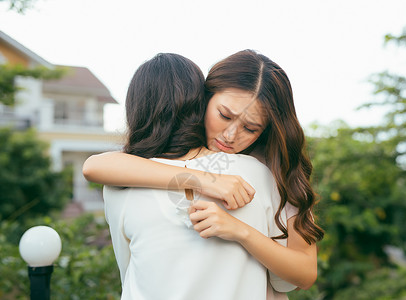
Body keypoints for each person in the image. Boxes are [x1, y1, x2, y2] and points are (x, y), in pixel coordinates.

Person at [83, 50, 324, 299]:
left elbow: (304, 274)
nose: (230, 136)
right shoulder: (132, 175)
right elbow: (94, 166)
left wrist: (241, 231)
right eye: (224, 116)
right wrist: (207, 181)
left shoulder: (272, 172)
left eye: (250, 128)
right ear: (203, 100)